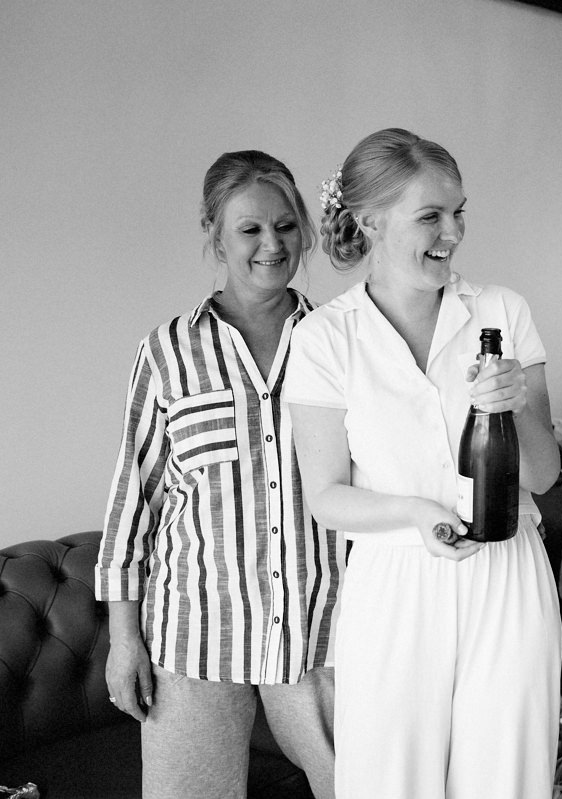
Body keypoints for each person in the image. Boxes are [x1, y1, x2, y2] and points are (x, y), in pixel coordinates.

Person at [284, 127, 562, 798]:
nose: (453, 231)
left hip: (508, 573)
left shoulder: (502, 311)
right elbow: (325, 494)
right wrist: (415, 513)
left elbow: (544, 473)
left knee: (508, 777)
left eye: (459, 211)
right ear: (369, 221)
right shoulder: (324, 338)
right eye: (431, 215)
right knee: (389, 780)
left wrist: (516, 404)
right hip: (394, 582)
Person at [97, 150, 340, 799]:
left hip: (324, 631)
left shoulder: (342, 342)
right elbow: (134, 506)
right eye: (250, 229)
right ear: (215, 233)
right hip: (195, 637)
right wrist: (125, 641)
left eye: (286, 226)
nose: (272, 244)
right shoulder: (169, 350)